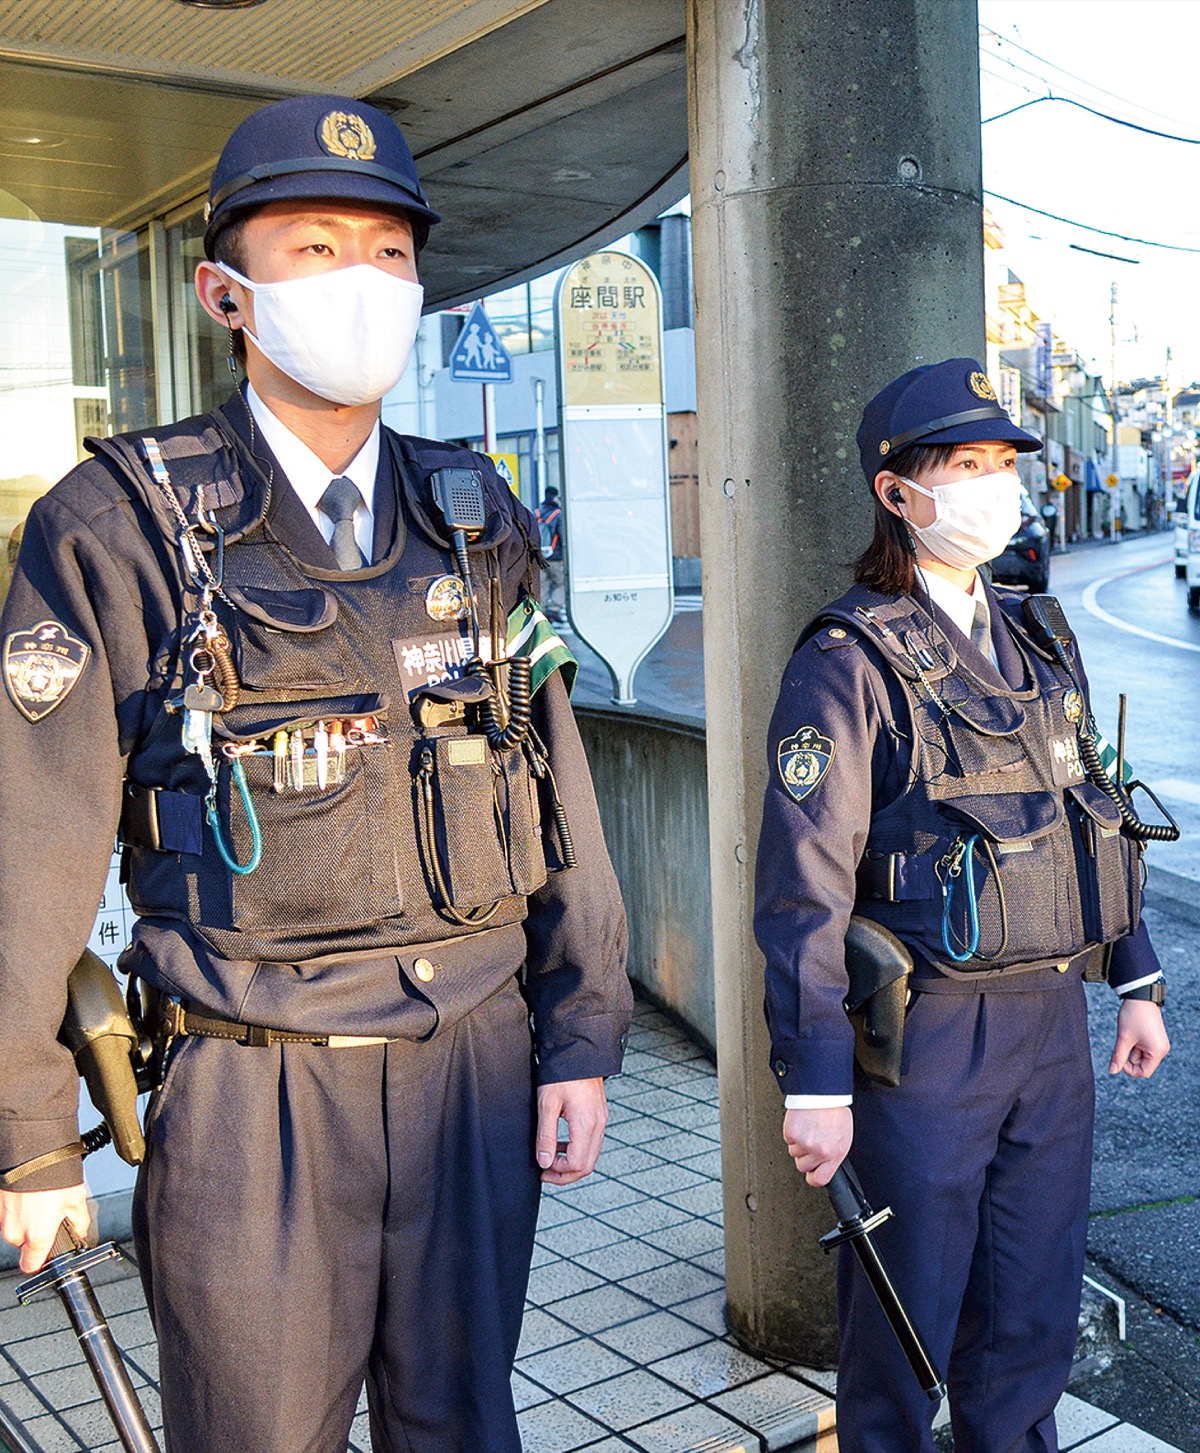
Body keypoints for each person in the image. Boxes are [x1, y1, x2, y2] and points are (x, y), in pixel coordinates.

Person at [0, 94, 632, 1453]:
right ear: (224, 293)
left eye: (390, 251)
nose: (363, 281)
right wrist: (30, 1131)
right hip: (254, 1090)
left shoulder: (476, 517)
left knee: (463, 1425)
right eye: (315, 247)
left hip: (473, 1068)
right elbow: (31, 841)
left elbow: (552, 784)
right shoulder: (117, 527)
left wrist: (581, 1034)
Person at [754, 358, 1170, 1453]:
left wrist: (1134, 974)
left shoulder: (1040, 635)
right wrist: (815, 1079)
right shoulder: (849, 658)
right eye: (965, 465)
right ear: (897, 492)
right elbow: (802, 884)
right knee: (903, 1330)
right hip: (927, 1038)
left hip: (1050, 1026)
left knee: (1030, 1314)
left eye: (1001, 463)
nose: (995, 486)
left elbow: (1094, 805)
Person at [534, 485, 566, 622]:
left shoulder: (536, 513)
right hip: (555, 557)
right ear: (555, 498)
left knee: (542, 584)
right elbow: (563, 536)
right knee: (560, 582)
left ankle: (542, 610)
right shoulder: (558, 514)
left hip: (539, 557)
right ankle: (554, 609)